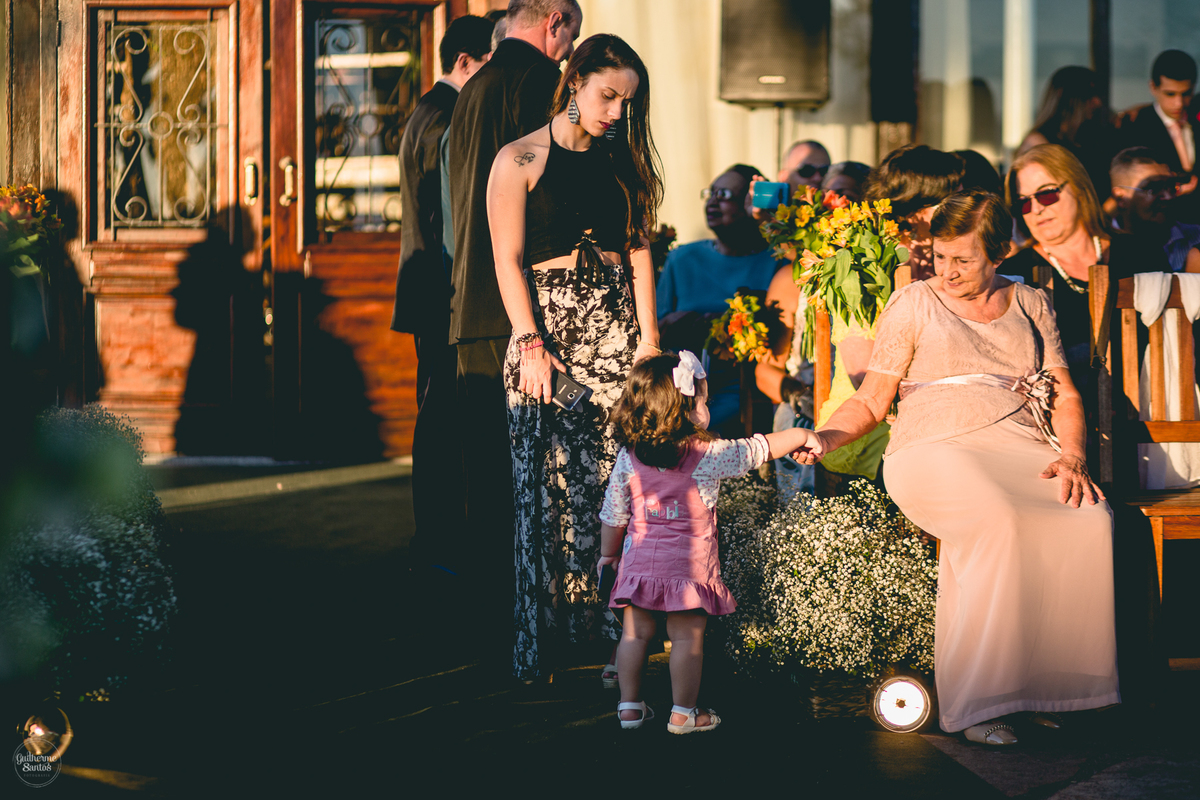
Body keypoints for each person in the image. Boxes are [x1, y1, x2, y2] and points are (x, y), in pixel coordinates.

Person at [791, 189, 1120, 744]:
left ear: (1000, 254)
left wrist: (1073, 454)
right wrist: (823, 438)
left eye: (963, 259)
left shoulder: (1032, 301)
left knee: (1088, 517)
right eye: (940, 256)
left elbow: (1065, 393)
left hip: (1023, 444)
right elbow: (873, 399)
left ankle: (1039, 690)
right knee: (997, 520)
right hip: (934, 445)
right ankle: (978, 705)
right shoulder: (914, 301)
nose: (947, 271)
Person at [487, 33, 663, 683]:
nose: (616, 112)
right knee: (543, 495)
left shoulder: (624, 164)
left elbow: (642, 253)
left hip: (617, 335)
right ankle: (543, 648)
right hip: (547, 334)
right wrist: (531, 343)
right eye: (607, 95)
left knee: (620, 496)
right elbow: (505, 260)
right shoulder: (520, 157)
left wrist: (649, 342)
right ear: (574, 81)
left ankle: (619, 648)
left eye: (627, 101)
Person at [443, 0, 580, 639]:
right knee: (527, 474)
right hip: (516, 303)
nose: (566, 51)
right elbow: (547, 191)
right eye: (569, 36)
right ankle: (522, 617)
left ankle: (482, 612)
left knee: (484, 475)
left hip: (470, 298)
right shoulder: (535, 82)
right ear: (553, 19)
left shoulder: (475, 85)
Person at [599, 351, 815, 732]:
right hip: (688, 569)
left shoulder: (628, 458)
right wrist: (801, 434)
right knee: (687, 638)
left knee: (634, 633)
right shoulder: (709, 455)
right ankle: (684, 713)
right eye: (702, 401)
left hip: (638, 564)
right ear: (686, 410)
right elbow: (757, 448)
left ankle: (629, 707)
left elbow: (613, 516)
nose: (706, 407)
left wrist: (608, 557)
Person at [389, 14, 494, 573]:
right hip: (444, 288)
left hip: (431, 287)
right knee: (442, 422)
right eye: (488, 67)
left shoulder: (428, 111)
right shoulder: (447, 117)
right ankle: (438, 542)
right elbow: (449, 217)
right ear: (465, 63)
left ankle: (436, 540)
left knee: (438, 417)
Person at [1005, 144, 1168, 392]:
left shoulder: (1140, 252)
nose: (1036, 208)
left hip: (1149, 409)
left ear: (1079, 187)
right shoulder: (1016, 273)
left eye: (1046, 194)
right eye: (1023, 203)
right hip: (1061, 419)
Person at [656, 164, 779, 436]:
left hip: (746, 388)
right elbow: (654, 331)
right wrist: (680, 322)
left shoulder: (775, 262)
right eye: (710, 193)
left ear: (749, 204)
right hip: (681, 384)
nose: (712, 201)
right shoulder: (682, 258)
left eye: (724, 194)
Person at [1018, 66, 1120, 205]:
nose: (1097, 102)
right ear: (1067, 97)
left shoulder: (1090, 139)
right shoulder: (1039, 142)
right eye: (1090, 95)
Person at [863, 144, 965, 280]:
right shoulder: (886, 259)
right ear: (911, 208)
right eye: (949, 204)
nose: (962, 211)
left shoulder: (955, 249)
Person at [1118, 50, 1198, 203]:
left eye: (1186, 93)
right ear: (1153, 87)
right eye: (1170, 94)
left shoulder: (1196, 116)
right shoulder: (1135, 127)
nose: (1179, 103)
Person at [1110, 146, 1200, 273]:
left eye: (1171, 186)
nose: (1168, 197)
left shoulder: (1196, 239)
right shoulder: (1101, 250)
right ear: (1121, 198)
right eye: (1153, 188)